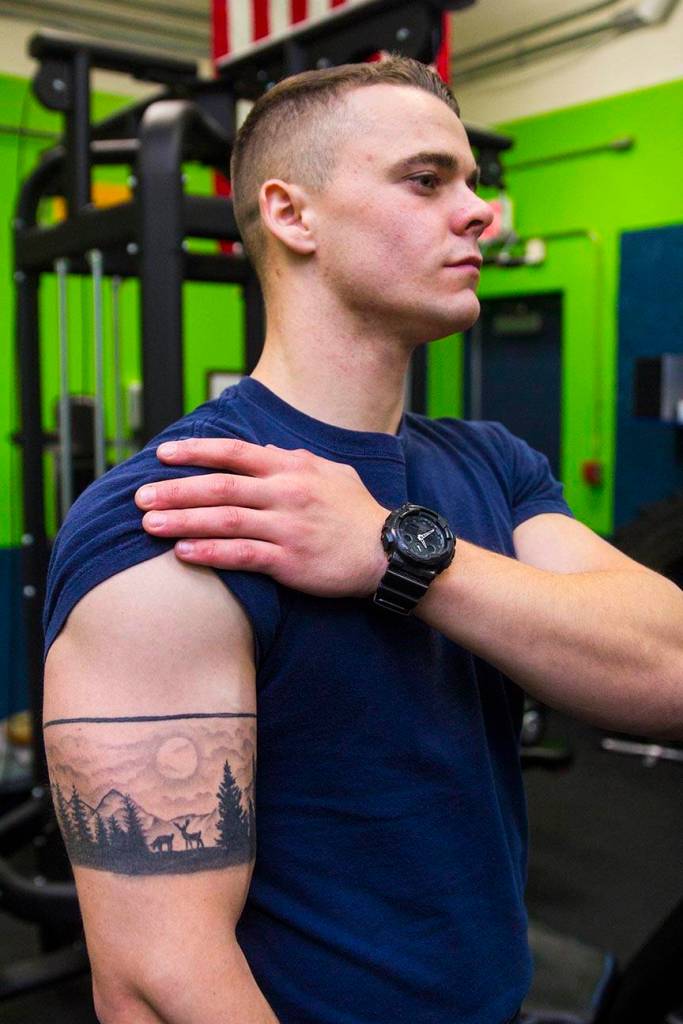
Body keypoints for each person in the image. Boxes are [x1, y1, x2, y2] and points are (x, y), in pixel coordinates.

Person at [42, 57, 683, 1024]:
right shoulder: (185, 513)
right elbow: (155, 981)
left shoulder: (491, 466)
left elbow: (669, 667)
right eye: (427, 181)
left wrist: (397, 553)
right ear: (292, 216)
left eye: (474, 183)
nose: (482, 214)